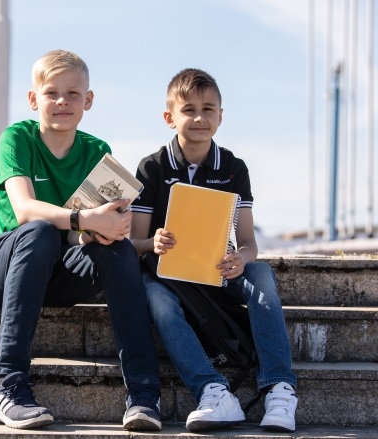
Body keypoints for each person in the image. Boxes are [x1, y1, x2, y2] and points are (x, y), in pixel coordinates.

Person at [0, 49, 163, 431]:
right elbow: (25, 210)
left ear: (88, 101)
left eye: (73, 94)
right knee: (40, 231)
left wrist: (108, 228)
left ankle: (144, 394)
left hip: (56, 267)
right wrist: (84, 219)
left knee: (117, 248)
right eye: (51, 93)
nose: (62, 101)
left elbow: (86, 234)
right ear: (33, 99)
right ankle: (7, 387)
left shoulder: (96, 151)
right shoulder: (17, 139)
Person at [129, 68, 299, 432]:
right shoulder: (152, 167)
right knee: (156, 300)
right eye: (188, 109)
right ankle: (213, 390)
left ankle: (279, 389)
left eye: (208, 109)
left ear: (221, 117)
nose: (199, 117)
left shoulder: (234, 168)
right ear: (169, 117)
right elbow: (135, 243)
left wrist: (243, 259)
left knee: (263, 275)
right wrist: (152, 242)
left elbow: (250, 243)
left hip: (218, 271)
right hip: (167, 275)